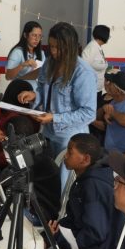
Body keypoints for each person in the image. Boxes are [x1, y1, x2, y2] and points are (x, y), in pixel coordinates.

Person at [17, 22, 97, 157]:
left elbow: (88, 113)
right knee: (47, 167)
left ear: (70, 47)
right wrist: (34, 95)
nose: (54, 52)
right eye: (51, 46)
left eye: (58, 48)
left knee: (62, 170)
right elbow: (43, 89)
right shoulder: (49, 63)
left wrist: (55, 118)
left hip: (70, 138)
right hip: (48, 131)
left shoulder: (83, 73)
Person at [47, 134, 125, 249]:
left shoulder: (93, 185)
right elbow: (76, 218)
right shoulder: (89, 176)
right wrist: (58, 230)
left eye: (70, 152)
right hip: (84, 241)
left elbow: (94, 234)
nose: (65, 155)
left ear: (85, 159)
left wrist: (58, 238)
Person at [94, 71, 125, 154]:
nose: (107, 84)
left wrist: (112, 113)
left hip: (123, 155)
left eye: (110, 83)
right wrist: (103, 109)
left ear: (118, 91)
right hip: (111, 153)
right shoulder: (114, 102)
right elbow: (97, 117)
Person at [82, 24, 110, 103]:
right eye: (108, 35)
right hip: (91, 89)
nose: (108, 38)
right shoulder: (92, 47)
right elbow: (84, 67)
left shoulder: (98, 47)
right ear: (103, 35)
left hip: (97, 88)